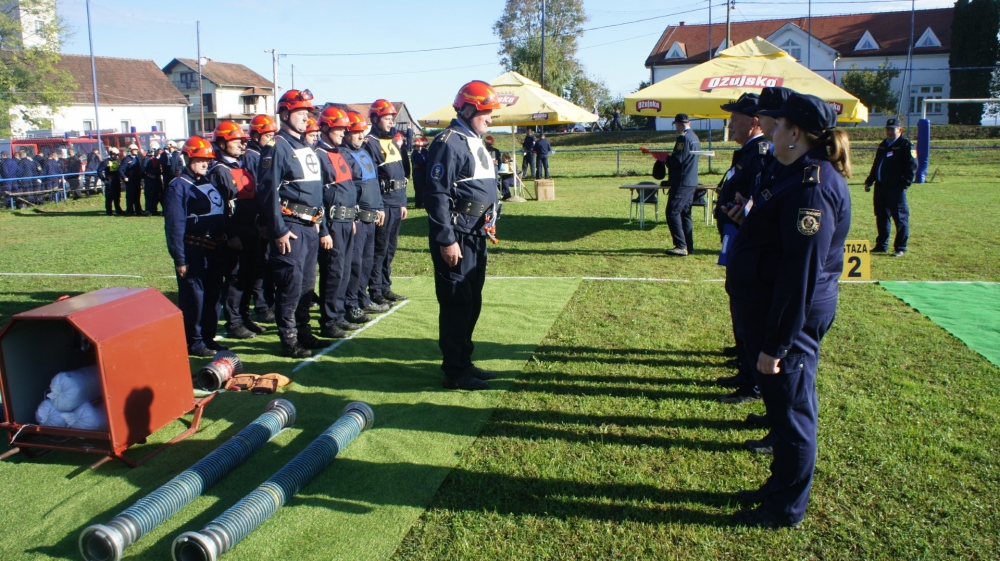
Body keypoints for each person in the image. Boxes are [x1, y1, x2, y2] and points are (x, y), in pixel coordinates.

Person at [725, 93, 852, 528]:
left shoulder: (810, 187)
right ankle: (777, 489)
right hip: (772, 310)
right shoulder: (792, 173)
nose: (770, 131)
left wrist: (777, 344)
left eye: (777, 125)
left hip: (789, 321)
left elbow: (801, 273)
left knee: (793, 415)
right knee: (782, 412)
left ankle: (785, 509)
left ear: (795, 133)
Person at [425, 80, 503, 391]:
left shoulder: (472, 140)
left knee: (471, 301)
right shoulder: (449, 142)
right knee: (457, 302)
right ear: (468, 110)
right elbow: (436, 195)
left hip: (475, 234)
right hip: (457, 234)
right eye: (486, 112)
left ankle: (464, 361)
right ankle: (455, 372)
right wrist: (446, 239)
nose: (490, 119)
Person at [255, 89, 327, 358]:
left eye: (308, 113)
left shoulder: (306, 147)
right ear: (285, 115)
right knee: (290, 284)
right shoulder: (277, 147)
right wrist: (279, 229)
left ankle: (304, 332)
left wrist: (318, 220)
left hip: (309, 226)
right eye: (300, 113)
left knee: (307, 283)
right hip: (290, 226)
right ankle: (289, 339)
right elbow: (268, 192)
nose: (306, 118)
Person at [714, 93, 770, 407]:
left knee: (747, 302)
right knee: (736, 294)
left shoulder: (759, 153)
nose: (731, 123)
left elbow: (756, 197)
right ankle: (743, 358)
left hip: (746, 235)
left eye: (736, 118)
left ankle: (750, 375)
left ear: (754, 122)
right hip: (735, 234)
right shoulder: (747, 151)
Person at [162, 136, 230, 357]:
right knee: (195, 298)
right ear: (188, 158)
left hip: (215, 249)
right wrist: (180, 258)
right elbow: (175, 225)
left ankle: (208, 337)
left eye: (207, 160)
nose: (204, 164)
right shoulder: (178, 186)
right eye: (200, 160)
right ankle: (194, 340)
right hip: (194, 250)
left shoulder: (207, 181)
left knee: (213, 296)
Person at [207, 121, 266, 341]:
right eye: (236, 141)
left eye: (243, 141)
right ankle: (234, 322)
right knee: (235, 278)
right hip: (236, 234)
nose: (242, 145)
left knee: (249, 276)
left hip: (251, 230)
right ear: (222, 144)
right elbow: (221, 208)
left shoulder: (243, 167)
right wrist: (230, 235)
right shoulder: (219, 171)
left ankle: (244, 316)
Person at [314, 106, 360, 339]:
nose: (343, 132)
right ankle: (329, 320)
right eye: (338, 128)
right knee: (333, 271)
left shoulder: (339, 152)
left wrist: (352, 217)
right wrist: (323, 229)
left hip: (346, 220)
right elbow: (317, 196)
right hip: (332, 223)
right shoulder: (318, 155)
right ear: (324, 128)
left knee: (344, 270)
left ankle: (339, 314)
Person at [363, 99, 410, 309]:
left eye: (392, 119)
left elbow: (400, 175)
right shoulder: (370, 143)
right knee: (379, 249)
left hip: (396, 203)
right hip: (383, 203)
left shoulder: (391, 142)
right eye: (387, 118)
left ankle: (385, 286)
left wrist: (402, 202)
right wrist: (379, 206)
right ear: (375, 119)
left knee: (390, 248)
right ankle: (375, 290)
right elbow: (371, 179)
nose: (391, 122)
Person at [342, 110, 386, 324]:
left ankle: (362, 298)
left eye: (362, 131)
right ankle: (350, 304)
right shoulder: (343, 155)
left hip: (371, 216)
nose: (361, 136)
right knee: (355, 263)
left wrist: (380, 207)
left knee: (367, 261)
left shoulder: (364, 152)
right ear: (345, 133)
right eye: (356, 132)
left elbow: (374, 182)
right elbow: (347, 189)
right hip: (357, 218)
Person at [245, 114, 279, 324]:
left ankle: (269, 301)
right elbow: (261, 189)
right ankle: (262, 305)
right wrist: (263, 220)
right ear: (256, 136)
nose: (271, 139)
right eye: (267, 135)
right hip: (259, 218)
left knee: (269, 262)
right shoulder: (253, 156)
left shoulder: (264, 152)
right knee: (262, 263)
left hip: (267, 215)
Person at [865, 118, 916, 257]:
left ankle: (900, 247)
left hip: (895, 188)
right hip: (881, 187)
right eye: (888, 129)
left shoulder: (905, 145)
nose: (889, 132)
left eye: (892, 129)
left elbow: (912, 166)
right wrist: (870, 180)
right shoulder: (883, 144)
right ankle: (882, 245)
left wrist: (904, 185)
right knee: (881, 216)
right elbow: (877, 164)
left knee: (900, 217)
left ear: (900, 130)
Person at [664, 114, 700, 256]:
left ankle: (681, 245)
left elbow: (677, 160)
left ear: (678, 124)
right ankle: (689, 245)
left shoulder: (683, 138)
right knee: (685, 213)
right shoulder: (694, 137)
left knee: (672, 212)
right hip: (691, 181)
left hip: (682, 181)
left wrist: (665, 158)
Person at [119, 143, 143, 215]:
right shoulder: (126, 159)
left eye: (136, 150)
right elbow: (121, 169)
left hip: (137, 179)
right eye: (134, 150)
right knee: (130, 195)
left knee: (137, 195)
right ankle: (130, 210)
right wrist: (124, 177)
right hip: (130, 179)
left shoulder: (137, 158)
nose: (136, 151)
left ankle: (138, 210)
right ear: (130, 150)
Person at [99, 147, 124, 215]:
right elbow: (99, 171)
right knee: (109, 196)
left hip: (116, 180)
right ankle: (109, 211)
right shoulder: (106, 162)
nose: (116, 156)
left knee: (117, 196)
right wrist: (103, 179)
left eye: (117, 155)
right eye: (114, 155)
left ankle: (118, 210)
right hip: (109, 180)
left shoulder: (118, 161)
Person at [143, 141, 163, 215]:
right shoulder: (147, 159)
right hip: (150, 179)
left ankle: (154, 210)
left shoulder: (156, 159)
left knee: (156, 195)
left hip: (157, 179)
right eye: (157, 151)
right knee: (149, 195)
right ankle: (148, 210)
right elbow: (143, 169)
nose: (158, 152)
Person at [410, 136, 429, 208]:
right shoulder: (417, 154)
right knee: (420, 188)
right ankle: (421, 203)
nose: (420, 148)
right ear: (415, 147)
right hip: (419, 172)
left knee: (418, 189)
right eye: (418, 146)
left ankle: (419, 203)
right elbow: (422, 162)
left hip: (418, 172)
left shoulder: (417, 153)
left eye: (420, 146)